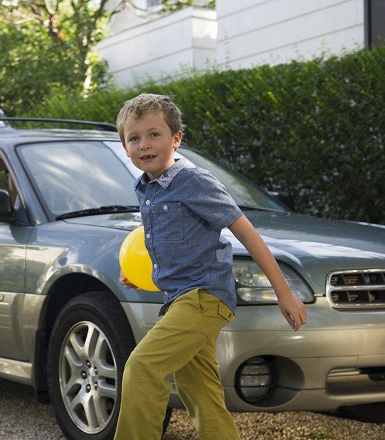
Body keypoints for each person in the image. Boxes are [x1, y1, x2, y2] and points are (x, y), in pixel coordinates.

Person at [113, 93, 308, 440]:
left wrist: (285, 293)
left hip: (205, 298)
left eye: (154, 134)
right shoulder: (146, 189)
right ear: (124, 146)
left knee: (142, 366)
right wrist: (142, 276)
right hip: (180, 299)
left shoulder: (194, 181)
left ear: (176, 139)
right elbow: (171, 243)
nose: (144, 144)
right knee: (200, 393)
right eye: (134, 137)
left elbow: (247, 234)